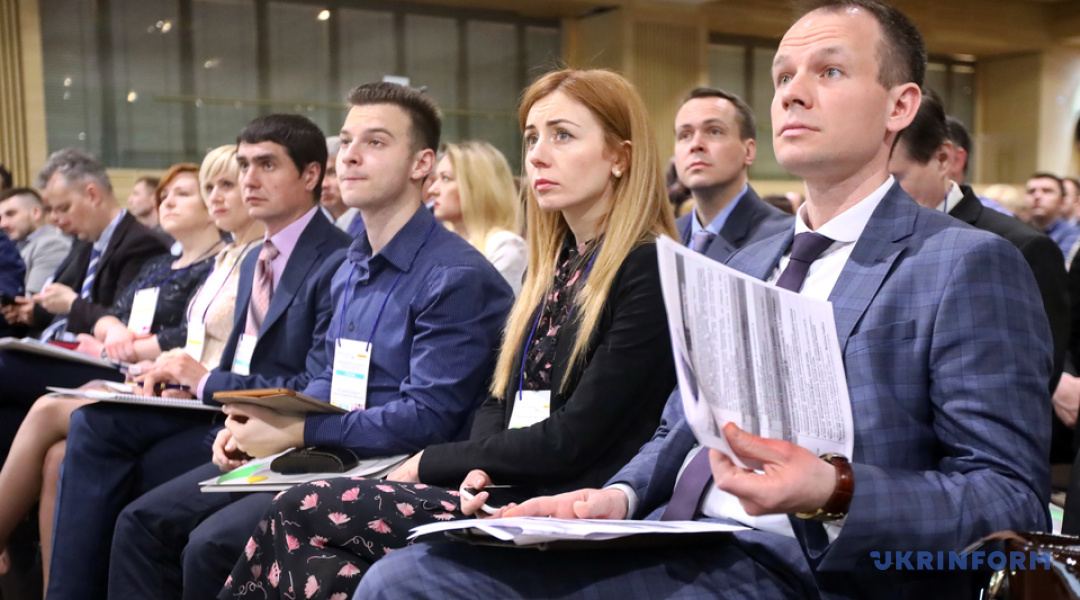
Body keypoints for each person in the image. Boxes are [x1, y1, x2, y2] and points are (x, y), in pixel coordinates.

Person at [356, 2, 1053, 599]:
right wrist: (617, 497)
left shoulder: (963, 262)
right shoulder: (743, 261)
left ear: (900, 106)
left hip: (809, 567)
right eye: (783, 77)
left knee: (415, 584)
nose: (793, 94)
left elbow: (1009, 499)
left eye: (829, 72)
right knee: (411, 569)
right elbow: (677, 431)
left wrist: (835, 489)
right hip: (679, 534)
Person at [216, 68, 678, 600]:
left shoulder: (645, 266)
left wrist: (432, 463)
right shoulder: (557, 266)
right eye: (532, 138)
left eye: (562, 136)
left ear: (620, 157)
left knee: (300, 509)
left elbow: (574, 437)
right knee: (314, 554)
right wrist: (478, 466)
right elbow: (499, 397)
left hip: (570, 505)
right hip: (506, 485)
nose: (537, 155)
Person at [106, 81, 517, 600]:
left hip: (398, 469)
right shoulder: (349, 265)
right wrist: (256, 421)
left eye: (375, 142)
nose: (350, 155)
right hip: (334, 450)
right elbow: (327, 377)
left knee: (209, 545)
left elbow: (427, 418)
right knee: (143, 522)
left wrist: (295, 432)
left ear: (421, 164)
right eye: (347, 141)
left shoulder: (455, 275)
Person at [47, 114, 352, 600]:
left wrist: (207, 381)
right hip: (228, 405)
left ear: (311, 174)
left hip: (273, 422)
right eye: (244, 165)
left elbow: (313, 382)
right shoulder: (256, 256)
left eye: (267, 165)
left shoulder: (337, 257)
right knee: (94, 421)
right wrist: (184, 381)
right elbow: (236, 358)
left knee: (136, 514)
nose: (249, 180)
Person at [0, 161, 221, 586]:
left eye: (183, 194)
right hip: (119, 366)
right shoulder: (159, 265)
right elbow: (114, 319)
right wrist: (108, 335)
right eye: (164, 195)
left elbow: (187, 335)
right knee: (54, 455)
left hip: (164, 382)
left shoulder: (219, 266)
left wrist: (115, 341)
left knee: (43, 407)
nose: (167, 202)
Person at [889, 90, 1069, 392]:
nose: (881, 198)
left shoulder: (1020, 246)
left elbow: (1031, 375)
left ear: (944, 159)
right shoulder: (873, 238)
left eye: (894, 180)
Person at [673, 87, 793, 261]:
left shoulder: (783, 237)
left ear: (748, 151)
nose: (695, 144)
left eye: (714, 131)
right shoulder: (665, 236)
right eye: (685, 135)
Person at [430, 140, 526, 294]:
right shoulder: (435, 243)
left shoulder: (503, 247)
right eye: (435, 179)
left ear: (477, 186)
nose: (433, 190)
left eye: (446, 179)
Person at [0, 187, 72, 295]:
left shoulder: (52, 245)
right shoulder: (14, 246)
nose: (3, 224)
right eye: (0, 218)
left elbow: (34, 301)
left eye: (11, 214)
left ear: (36, 212)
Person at [1026, 172, 1080, 260]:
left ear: (1062, 201)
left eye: (1046, 191)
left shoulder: (1074, 235)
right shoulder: (1017, 230)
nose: (1037, 196)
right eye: (1031, 191)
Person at [320, 136, 361, 233]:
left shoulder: (372, 226)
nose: (323, 184)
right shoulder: (309, 227)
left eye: (332, 173)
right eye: (317, 175)